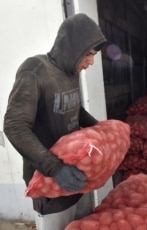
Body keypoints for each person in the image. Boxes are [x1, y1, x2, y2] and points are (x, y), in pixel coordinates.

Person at [3, 13, 107, 230]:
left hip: (75, 175)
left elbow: (74, 108)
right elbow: (14, 125)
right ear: (72, 47)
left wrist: (102, 129)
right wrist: (55, 168)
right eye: (88, 54)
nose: (91, 62)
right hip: (50, 180)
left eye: (94, 55)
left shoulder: (71, 72)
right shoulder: (35, 70)